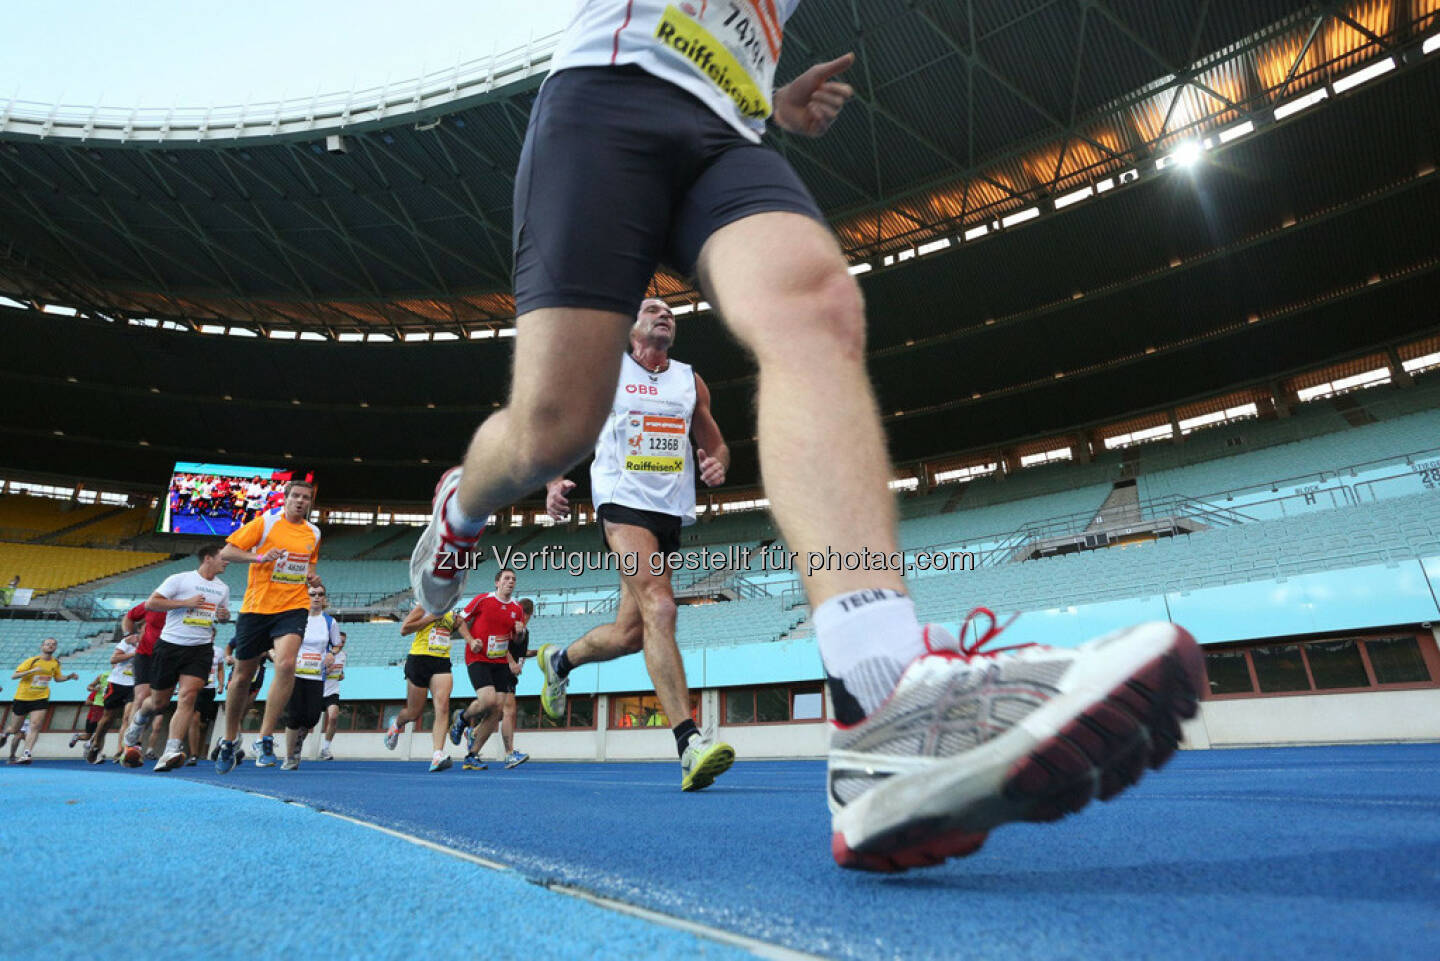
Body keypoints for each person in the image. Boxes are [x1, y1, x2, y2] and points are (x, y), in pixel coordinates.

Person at [409, 1, 1202, 870]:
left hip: (723, 129)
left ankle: (880, 699)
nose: (664, 324)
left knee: (818, 303)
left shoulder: (686, 379)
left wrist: (768, 98)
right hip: (613, 89)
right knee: (553, 425)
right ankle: (463, 503)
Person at [537, 298, 733, 788]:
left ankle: (559, 661)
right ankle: (689, 743)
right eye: (651, 309)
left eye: (670, 311)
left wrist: (718, 463)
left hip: (669, 512)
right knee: (662, 609)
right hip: (621, 503)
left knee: (631, 633)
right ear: (631, 329)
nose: (664, 313)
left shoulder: (690, 380)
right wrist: (555, 480)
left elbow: (717, 442)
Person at [214, 479, 322, 772]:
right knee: (242, 676)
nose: (301, 501)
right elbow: (227, 553)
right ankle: (229, 738)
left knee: (287, 665)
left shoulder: (313, 532)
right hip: (257, 607)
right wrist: (259, 556)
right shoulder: (265, 524)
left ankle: (264, 738)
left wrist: (312, 577)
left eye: (306, 498)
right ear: (285, 498)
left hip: (293, 606)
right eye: (296, 496)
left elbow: (309, 565)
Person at [121, 543, 231, 771]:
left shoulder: (223, 588)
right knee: (158, 702)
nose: (227, 561)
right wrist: (185, 603)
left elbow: (219, 617)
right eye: (223, 557)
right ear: (208, 558)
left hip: (200, 648)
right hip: (170, 645)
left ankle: (171, 749)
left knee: (188, 697)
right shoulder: (180, 579)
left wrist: (223, 616)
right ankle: (139, 720)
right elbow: (152, 603)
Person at [445, 570, 524, 771]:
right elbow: (458, 620)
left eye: (513, 579)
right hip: (477, 657)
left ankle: (472, 755)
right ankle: (461, 717)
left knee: (497, 711)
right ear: (497, 582)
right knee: (488, 701)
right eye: (506, 578)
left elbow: (516, 639)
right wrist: (471, 641)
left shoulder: (517, 609)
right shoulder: (483, 600)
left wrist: (520, 633)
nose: (510, 582)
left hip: (499, 662)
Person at [386, 604, 458, 772]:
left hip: (442, 660)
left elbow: (456, 627)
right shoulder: (425, 606)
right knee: (414, 712)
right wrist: (430, 618)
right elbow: (404, 629)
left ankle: (437, 755)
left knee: (443, 706)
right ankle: (397, 722)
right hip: (419, 659)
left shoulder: (451, 611)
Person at [280, 583, 340, 770]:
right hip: (296, 673)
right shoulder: (296, 619)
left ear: (324, 598)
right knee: (294, 715)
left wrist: (332, 654)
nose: (316, 597)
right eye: (312, 594)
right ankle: (289, 756)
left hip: (316, 674)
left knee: (312, 717)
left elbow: (336, 645)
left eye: (320, 594)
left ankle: (298, 741)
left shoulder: (330, 622)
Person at [2, 637, 77, 763]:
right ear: (42, 646)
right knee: (15, 729)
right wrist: (32, 671)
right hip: (23, 697)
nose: (51, 646)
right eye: (48, 644)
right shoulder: (32, 661)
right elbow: (14, 676)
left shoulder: (56, 663)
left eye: (53, 644)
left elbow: (57, 678)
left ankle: (26, 754)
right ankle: (5, 733)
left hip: (40, 698)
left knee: (35, 726)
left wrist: (69, 677)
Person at [122, 595, 169, 759]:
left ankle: (138, 730)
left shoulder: (185, 606)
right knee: (141, 696)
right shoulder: (153, 603)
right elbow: (129, 617)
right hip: (145, 654)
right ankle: (131, 745)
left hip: (168, 657)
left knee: (156, 703)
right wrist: (128, 634)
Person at [88, 632, 139, 764]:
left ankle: (124, 751)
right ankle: (95, 745)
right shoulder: (128, 641)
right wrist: (135, 653)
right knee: (107, 719)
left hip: (135, 685)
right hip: (117, 683)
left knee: (128, 717)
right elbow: (113, 659)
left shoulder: (152, 642)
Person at [188, 636, 225, 765]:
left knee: (203, 724)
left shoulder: (218, 651)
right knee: (195, 718)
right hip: (195, 687)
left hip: (210, 689)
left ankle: (200, 751)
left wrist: (221, 684)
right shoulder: (193, 648)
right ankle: (193, 754)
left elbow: (220, 668)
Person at [318, 631, 347, 760]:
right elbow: (313, 673)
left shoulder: (343, 656)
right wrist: (325, 672)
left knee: (334, 717)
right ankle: (297, 746)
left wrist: (341, 676)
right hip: (317, 691)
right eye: (339, 641)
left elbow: (341, 672)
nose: (341, 644)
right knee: (306, 723)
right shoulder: (323, 654)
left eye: (344, 642)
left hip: (332, 692)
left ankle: (325, 748)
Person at [68, 668, 110, 751]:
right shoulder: (99, 690)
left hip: (106, 711)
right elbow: (87, 702)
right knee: (88, 736)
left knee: (101, 732)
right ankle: (80, 738)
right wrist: (97, 704)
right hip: (95, 713)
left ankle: (95, 751)